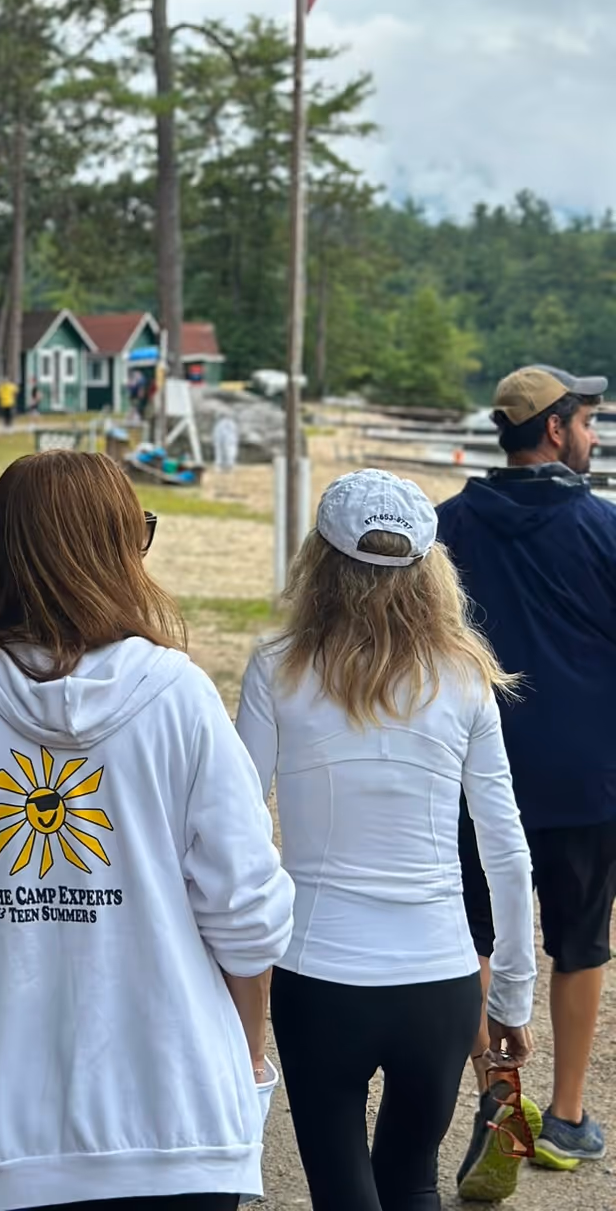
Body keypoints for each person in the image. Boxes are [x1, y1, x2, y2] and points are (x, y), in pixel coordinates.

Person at [0, 450, 294, 1211]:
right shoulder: (179, 698)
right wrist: (246, 1063)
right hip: (175, 1122)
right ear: (121, 550)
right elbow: (245, 911)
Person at [237, 468, 536, 1211]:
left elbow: (236, 831)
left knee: (343, 1195)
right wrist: (514, 996)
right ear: (431, 570)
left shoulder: (277, 670)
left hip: (317, 975)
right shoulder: (465, 676)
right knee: (411, 1184)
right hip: (437, 985)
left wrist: (229, 977)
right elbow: (504, 846)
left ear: (319, 563)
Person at [438, 364, 616, 1170]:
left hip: (474, 773)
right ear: (553, 427)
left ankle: (498, 1089)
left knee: (473, 937)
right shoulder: (605, 529)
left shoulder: (445, 529)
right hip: (587, 780)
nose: (591, 435)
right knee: (579, 943)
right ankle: (570, 1118)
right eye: (584, 420)